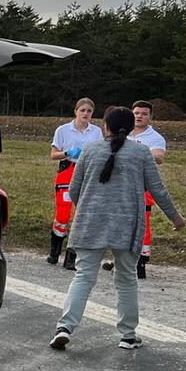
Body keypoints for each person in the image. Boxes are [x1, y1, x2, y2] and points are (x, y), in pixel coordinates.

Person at [49, 106, 185, 351]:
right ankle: (128, 335)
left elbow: (74, 188)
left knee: (83, 276)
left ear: (106, 127)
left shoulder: (90, 150)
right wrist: (176, 219)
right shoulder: (141, 153)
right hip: (127, 224)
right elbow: (158, 190)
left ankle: (65, 327)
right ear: (132, 128)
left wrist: (87, 210)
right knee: (126, 279)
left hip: (91, 222)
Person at [104, 99, 168, 278]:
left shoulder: (154, 138)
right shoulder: (123, 132)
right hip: (120, 184)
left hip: (141, 184)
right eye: (136, 113)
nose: (139, 117)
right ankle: (119, 259)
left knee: (142, 222)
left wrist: (139, 152)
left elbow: (159, 157)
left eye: (144, 114)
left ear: (151, 117)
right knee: (119, 221)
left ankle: (141, 260)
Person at [47, 97, 105, 268]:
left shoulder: (96, 132)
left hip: (87, 172)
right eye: (83, 110)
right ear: (76, 111)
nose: (85, 114)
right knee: (63, 213)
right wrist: (67, 152)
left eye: (89, 111)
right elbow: (53, 154)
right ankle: (54, 252)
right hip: (67, 170)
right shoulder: (63, 130)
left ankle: (71, 258)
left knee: (80, 214)